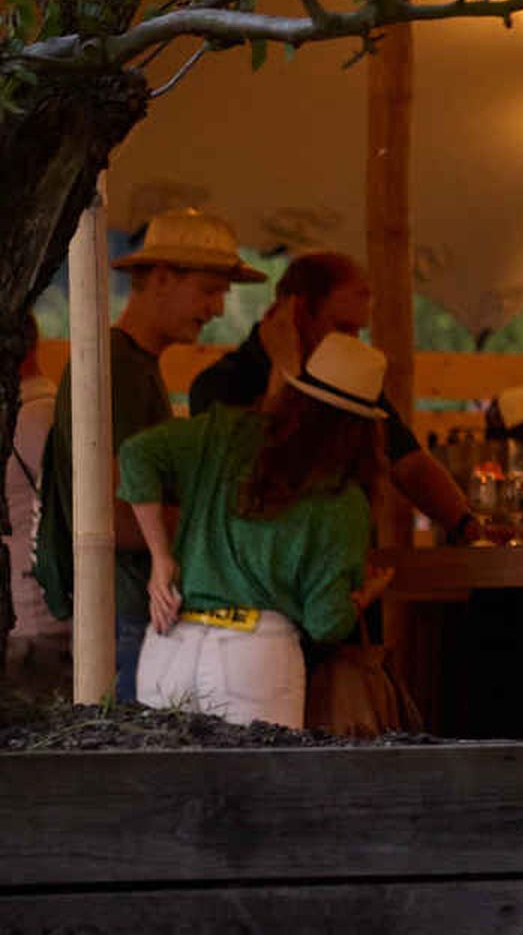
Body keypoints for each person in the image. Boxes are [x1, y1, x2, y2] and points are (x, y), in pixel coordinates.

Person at [37, 208, 258, 700]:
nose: (218, 308)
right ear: (160, 278)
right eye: (209, 289)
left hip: (133, 609)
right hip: (127, 613)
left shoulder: (135, 365)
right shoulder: (117, 367)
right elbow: (113, 514)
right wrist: (228, 534)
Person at [122, 332, 395, 727]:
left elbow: (136, 453)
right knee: (260, 788)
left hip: (170, 643)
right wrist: (363, 597)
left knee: (164, 788)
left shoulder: (224, 432)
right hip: (257, 653)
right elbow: (326, 621)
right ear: (365, 429)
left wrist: (160, 559)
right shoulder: (342, 499)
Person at [190, 250, 477, 543]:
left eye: (357, 331)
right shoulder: (219, 385)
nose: (351, 342)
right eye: (342, 328)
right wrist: (284, 370)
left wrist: (466, 524)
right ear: (297, 312)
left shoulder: (344, 378)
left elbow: (409, 463)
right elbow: (255, 477)